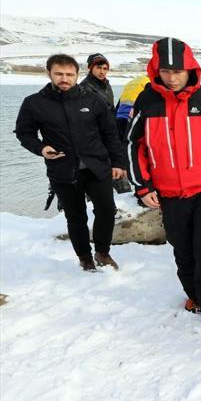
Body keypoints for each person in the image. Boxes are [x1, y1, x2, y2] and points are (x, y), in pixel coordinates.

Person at [127, 38, 201, 324]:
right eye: (166, 71)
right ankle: (194, 295)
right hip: (167, 191)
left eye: (178, 71)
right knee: (182, 247)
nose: (172, 77)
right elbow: (132, 144)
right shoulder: (147, 100)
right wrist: (142, 185)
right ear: (156, 69)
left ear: (190, 69)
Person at [15, 53, 126, 271]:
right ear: (49, 73)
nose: (64, 78)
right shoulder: (34, 103)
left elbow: (110, 133)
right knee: (76, 217)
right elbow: (24, 133)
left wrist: (118, 163)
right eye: (59, 74)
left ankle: (102, 252)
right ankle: (85, 257)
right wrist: (41, 148)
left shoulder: (94, 100)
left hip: (97, 167)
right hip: (63, 170)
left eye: (69, 74)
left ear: (77, 74)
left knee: (106, 210)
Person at [115, 74, 150, 140]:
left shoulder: (131, 82)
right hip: (132, 120)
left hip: (119, 118)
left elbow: (119, 103)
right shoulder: (148, 83)